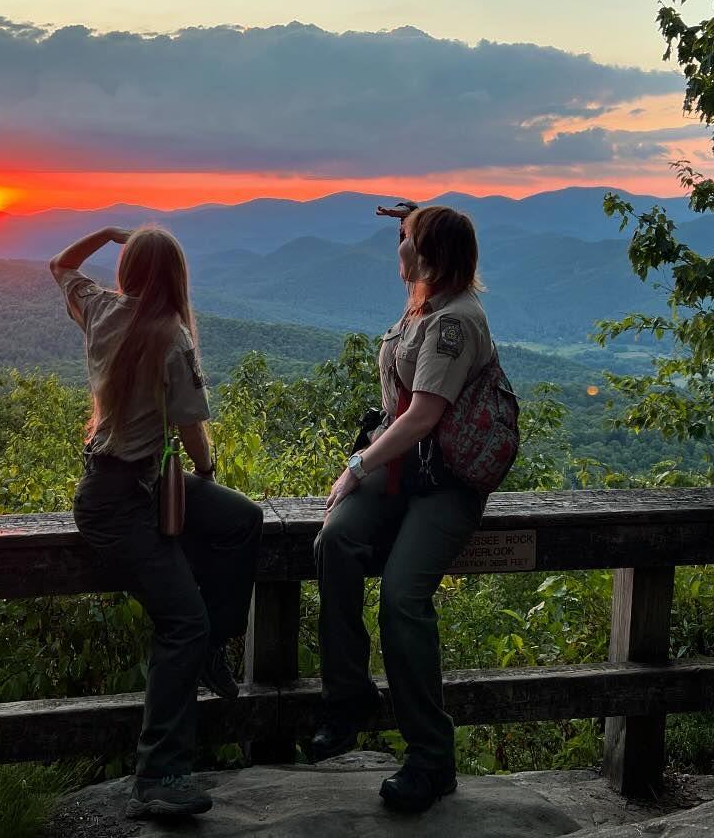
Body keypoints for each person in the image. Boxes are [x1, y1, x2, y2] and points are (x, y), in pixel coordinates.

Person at [51, 225, 263, 820]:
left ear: (127, 272)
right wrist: (207, 471)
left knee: (243, 520)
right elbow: (195, 434)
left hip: (130, 485)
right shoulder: (174, 336)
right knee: (181, 622)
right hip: (120, 501)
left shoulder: (99, 308)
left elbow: (58, 264)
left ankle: (214, 644)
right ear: (176, 277)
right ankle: (160, 772)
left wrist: (107, 234)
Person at [307, 203, 495, 813]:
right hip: (400, 478)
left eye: (404, 239)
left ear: (429, 255)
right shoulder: (424, 305)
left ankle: (431, 759)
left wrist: (355, 466)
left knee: (401, 597)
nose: (396, 248)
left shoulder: (455, 323)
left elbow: (423, 415)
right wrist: (420, 214)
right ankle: (349, 700)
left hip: (445, 488)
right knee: (334, 542)